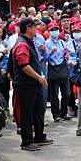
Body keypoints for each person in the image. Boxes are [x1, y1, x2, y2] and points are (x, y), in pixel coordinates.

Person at [11, 18, 53, 151]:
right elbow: (23, 65)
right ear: (28, 28)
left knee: (38, 110)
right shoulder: (22, 44)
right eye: (35, 27)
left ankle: (39, 136)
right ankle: (27, 141)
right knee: (27, 113)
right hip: (26, 84)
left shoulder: (28, 42)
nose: (37, 29)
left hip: (33, 83)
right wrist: (38, 77)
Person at [45, 21, 71, 122]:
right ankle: (56, 115)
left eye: (56, 29)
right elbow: (45, 58)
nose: (55, 31)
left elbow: (66, 55)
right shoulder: (47, 43)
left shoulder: (62, 42)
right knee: (54, 95)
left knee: (67, 93)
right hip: (53, 69)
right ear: (49, 31)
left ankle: (64, 112)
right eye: (52, 30)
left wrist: (67, 57)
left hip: (63, 69)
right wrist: (51, 53)